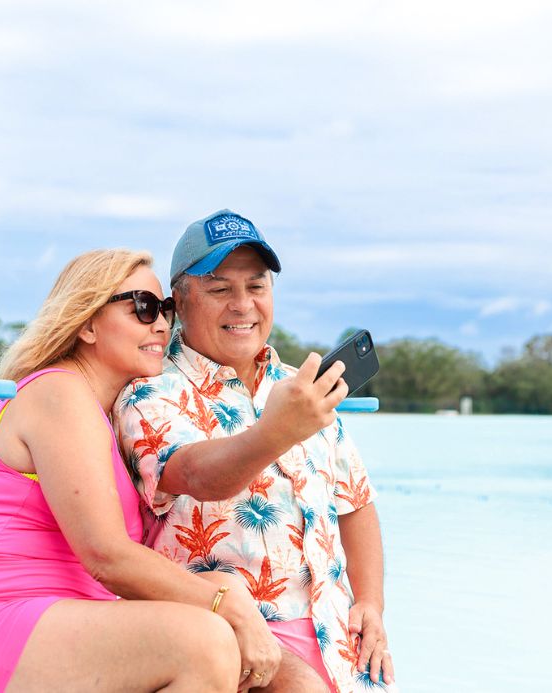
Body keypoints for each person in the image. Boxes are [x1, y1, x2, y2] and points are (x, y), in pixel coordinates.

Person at [0, 249, 282, 693]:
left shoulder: (105, 415)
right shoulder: (58, 392)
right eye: (142, 308)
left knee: (216, 617)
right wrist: (228, 605)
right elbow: (106, 555)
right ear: (86, 323)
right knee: (204, 642)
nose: (161, 325)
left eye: (164, 310)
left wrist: (224, 590)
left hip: (62, 625)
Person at [113, 211, 397, 692]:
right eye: (220, 289)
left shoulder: (298, 387)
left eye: (257, 287)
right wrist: (278, 431)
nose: (242, 305)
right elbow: (198, 476)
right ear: (178, 303)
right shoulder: (149, 392)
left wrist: (370, 603)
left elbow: (357, 501)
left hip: (340, 641)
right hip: (232, 639)